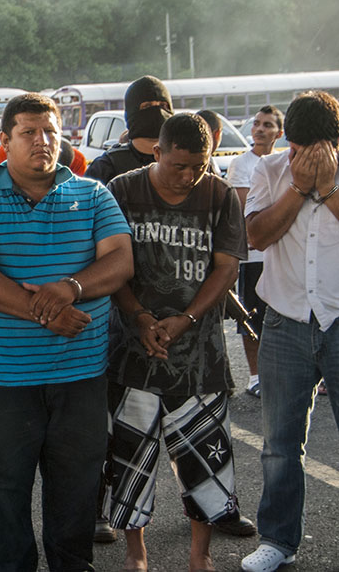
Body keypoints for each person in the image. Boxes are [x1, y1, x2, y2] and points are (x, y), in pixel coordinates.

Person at [0, 92, 132, 571]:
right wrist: (45, 312)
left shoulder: (93, 195)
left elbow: (120, 262)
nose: (42, 142)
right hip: (5, 379)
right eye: (28, 133)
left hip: (82, 375)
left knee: (76, 490)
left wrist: (70, 287)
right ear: (5, 141)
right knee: (4, 493)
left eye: (50, 131)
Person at [103, 113, 248, 572]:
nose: (189, 176)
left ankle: (199, 555)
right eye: (179, 165)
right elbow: (108, 261)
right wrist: (140, 316)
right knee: (129, 462)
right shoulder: (123, 190)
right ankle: (135, 553)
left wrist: (184, 320)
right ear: (156, 152)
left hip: (199, 357)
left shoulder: (220, 195)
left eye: (199, 165)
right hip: (132, 353)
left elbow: (226, 267)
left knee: (204, 462)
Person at [240, 90, 339, 572]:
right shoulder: (270, 170)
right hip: (284, 321)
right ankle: (278, 541)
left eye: (313, 151)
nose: (301, 159)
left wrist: (328, 188)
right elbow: (255, 236)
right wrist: (298, 188)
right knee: (280, 444)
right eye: (295, 149)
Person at [226, 105, 284, 398]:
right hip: (254, 255)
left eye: (268, 125)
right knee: (252, 317)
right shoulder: (242, 164)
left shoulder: (284, 163)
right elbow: (247, 210)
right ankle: (255, 376)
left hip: (280, 254)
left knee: (280, 315)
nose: (260, 129)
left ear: (280, 133)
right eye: (257, 124)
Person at [86, 75, 173, 185]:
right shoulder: (106, 167)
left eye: (163, 106)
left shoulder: (184, 163)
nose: (158, 112)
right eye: (147, 106)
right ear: (132, 113)